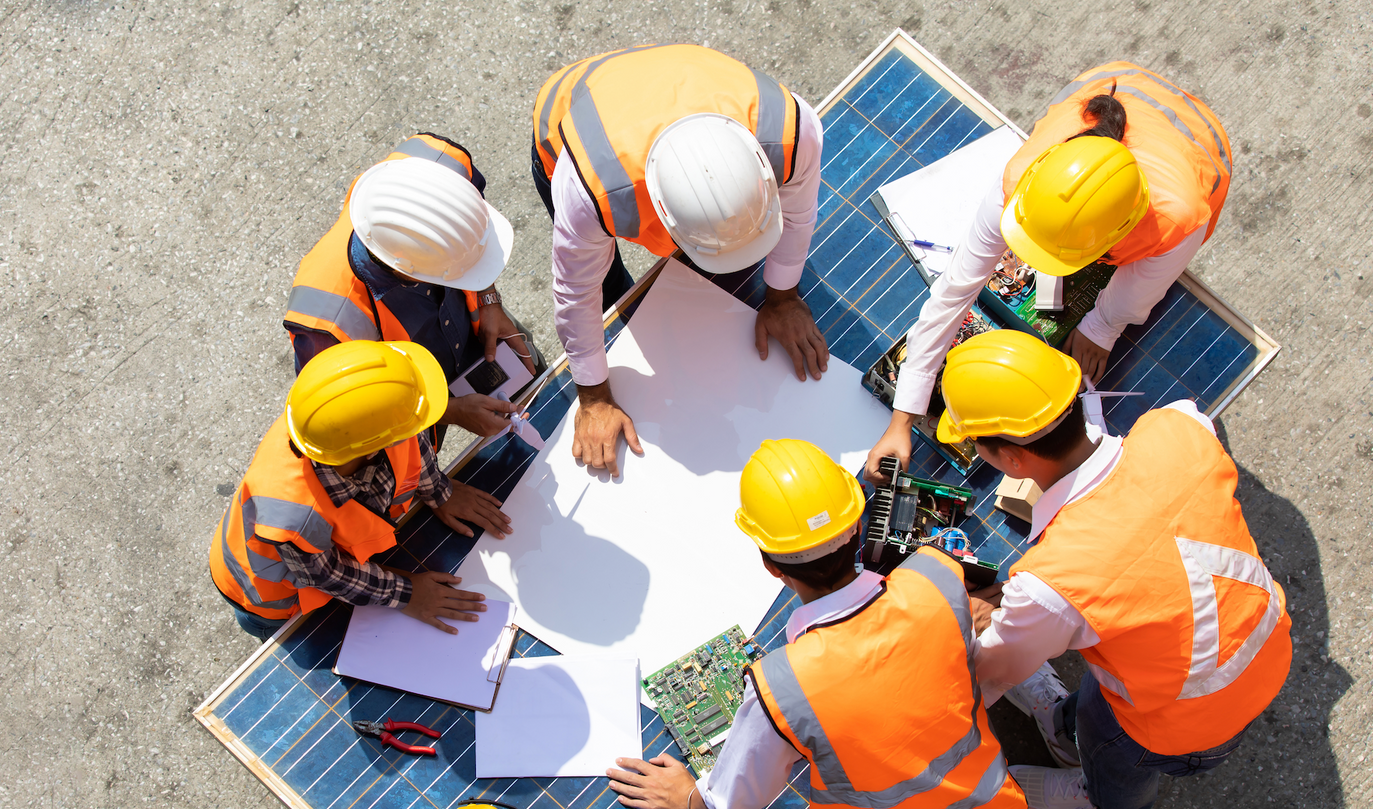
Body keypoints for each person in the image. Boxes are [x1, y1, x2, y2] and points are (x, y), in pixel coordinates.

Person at [607, 440, 1025, 809]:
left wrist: (691, 799)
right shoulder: (938, 575)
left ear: (770, 566)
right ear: (857, 529)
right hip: (995, 797)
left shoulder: (781, 685)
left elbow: (732, 806)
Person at [936, 330, 1289, 809]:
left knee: (1115, 748)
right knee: (1100, 703)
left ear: (1011, 458)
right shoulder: (1179, 424)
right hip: (1260, 647)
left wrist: (981, 627)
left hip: (1185, 723)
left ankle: (1115, 808)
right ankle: (1064, 726)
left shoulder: (1053, 581)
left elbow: (993, 673)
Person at [866, 62, 1232, 485]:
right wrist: (901, 420)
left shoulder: (1175, 220)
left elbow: (1140, 288)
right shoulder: (1021, 182)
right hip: (1118, 82)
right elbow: (952, 293)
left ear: (1113, 239)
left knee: (1141, 284)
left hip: (1200, 146)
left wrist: (1104, 324)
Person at [531, 45, 829, 477]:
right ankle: (628, 308)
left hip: (679, 84)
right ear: (664, 217)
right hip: (569, 115)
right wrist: (594, 396)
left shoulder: (792, 132)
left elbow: (799, 214)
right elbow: (576, 291)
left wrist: (783, 296)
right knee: (613, 292)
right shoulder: (591, 190)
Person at [210, 340, 512, 641]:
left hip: (329, 562)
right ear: (370, 451)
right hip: (270, 597)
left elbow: (408, 434)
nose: (411, 431)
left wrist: (440, 491)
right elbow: (329, 575)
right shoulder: (293, 517)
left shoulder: (346, 424)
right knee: (302, 640)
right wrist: (407, 594)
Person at [283, 134, 536, 442]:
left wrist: (488, 298)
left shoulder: (442, 161)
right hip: (408, 394)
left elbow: (474, 236)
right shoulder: (328, 326)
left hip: (477, 330)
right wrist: (449, 411)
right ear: (408, 272)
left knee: (534, 385)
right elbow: (360, 417)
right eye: (459, 272)